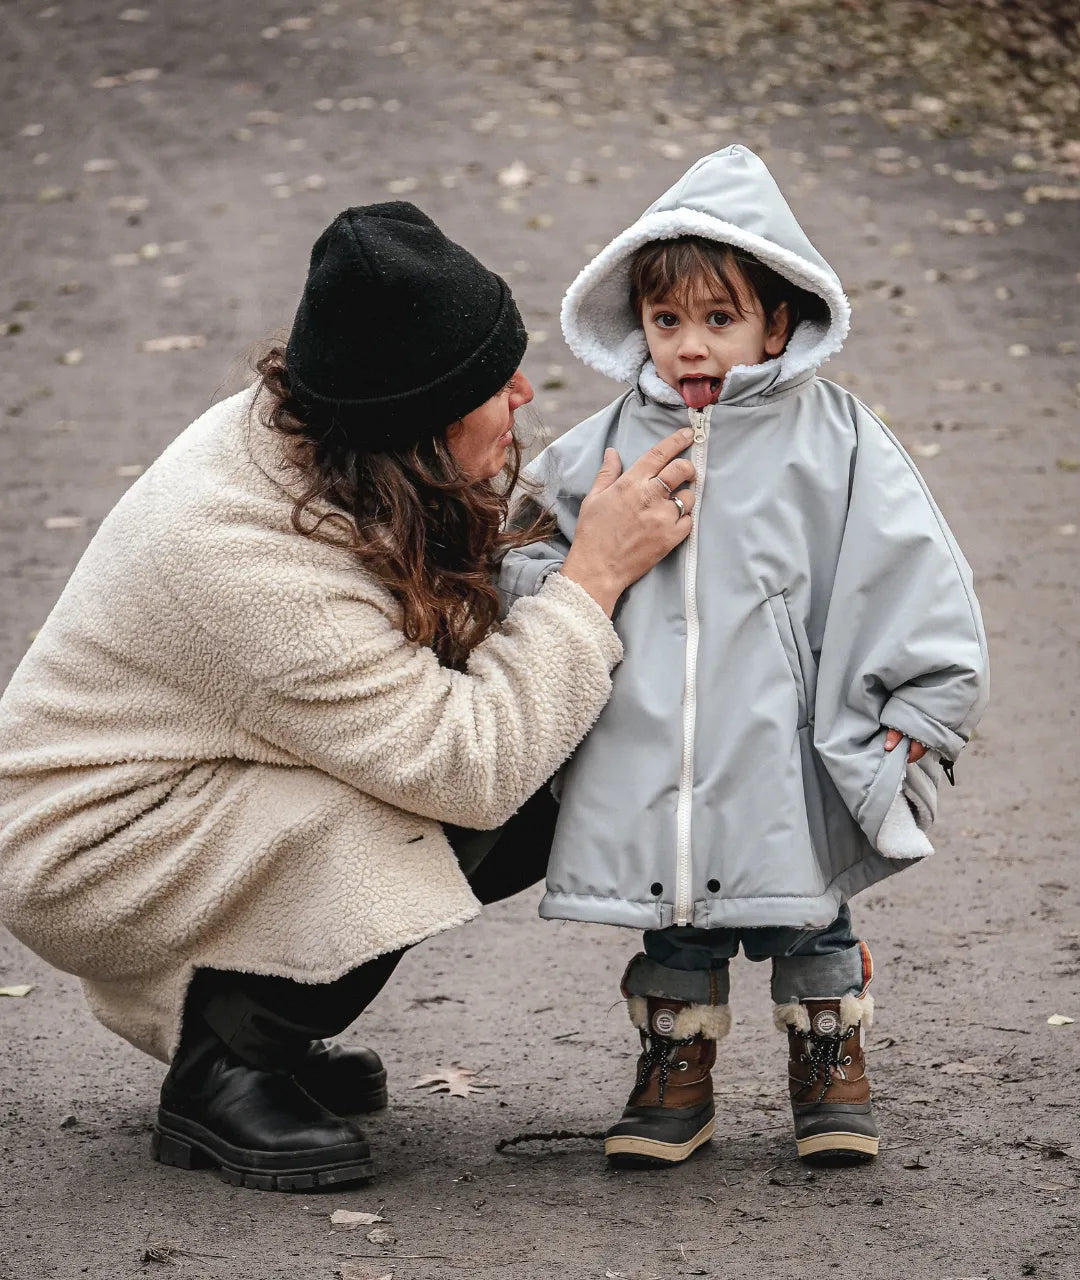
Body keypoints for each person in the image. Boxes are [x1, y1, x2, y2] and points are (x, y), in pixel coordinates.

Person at [0, 202, 700, 1191]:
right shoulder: (250, 568)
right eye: (494, 387)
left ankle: (257, 1022)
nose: (525, 391)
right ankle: (228, 1061)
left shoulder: (335, 435)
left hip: (176, 791)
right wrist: (592, 578)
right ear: (416, 429)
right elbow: (473, 763)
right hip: (94, 847)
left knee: (540, 721)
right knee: (492, 775)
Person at [499, 146, 990, 1168]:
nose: (691, 347)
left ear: (778, 321)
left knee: (809, 904)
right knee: (676, 915)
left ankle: (829, 1058)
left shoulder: (835, 440)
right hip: (652, 740)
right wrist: (538, 589)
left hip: (786, 740)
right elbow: (534, 543)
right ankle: (677, 1071)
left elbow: (913, 572)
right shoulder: (606, 445)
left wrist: (921, 708)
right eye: (667, 319)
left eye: (719, 320)